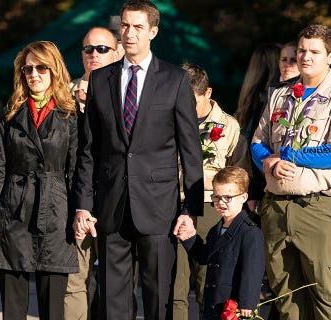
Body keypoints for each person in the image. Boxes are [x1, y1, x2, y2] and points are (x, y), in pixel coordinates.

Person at [72, 0, 204, 319]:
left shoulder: (174, 80)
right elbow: (89, 149)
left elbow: (190, 150)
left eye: (138, 27)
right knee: (113, 302)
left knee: (158, 298)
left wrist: (191, 210)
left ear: (153, 32)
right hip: (111, 207)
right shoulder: (101, 79)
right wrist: (83, 205)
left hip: (159, 208)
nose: (129, 34)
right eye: (125, 26)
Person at [251, 25, 331, 320]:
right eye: (301, 50)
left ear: (330, 57)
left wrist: (287, 155)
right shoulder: (280, 95)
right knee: (285, 295)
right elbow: (258, 142)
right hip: (276, 205)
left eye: (314, 52)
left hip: (319, 206)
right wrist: (269, 162)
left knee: (326, 294)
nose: (305, 57)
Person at [0, 41, 78, 320]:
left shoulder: (70, 115)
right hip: (13, 211)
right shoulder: (10, 113)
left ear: (54, 70)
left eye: (41, 67)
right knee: (12, 308)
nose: (34, 74)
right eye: (28, 68)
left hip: (56, 213)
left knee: (53, 309)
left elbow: (78, 170)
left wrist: (81, 212)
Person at [172, 63, 252, 320]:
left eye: (192, 102)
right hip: (173, 203)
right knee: (175, 284)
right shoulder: (167, 119)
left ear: (208, 93)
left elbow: (240, 175)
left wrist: (210, 181)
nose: (185, 108)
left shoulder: (229, 126)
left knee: (209, 282)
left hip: (211, 208)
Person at [66, 26, 120, 320]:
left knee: (117, 284)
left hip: (117, 199)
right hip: (74, 200)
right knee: (74, 281)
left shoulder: (130, 97)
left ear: (117, 52)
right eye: (88, 49)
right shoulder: (63, 96)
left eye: (102, 49)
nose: (94, 55)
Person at [176, 166, 264, 320]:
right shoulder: (215, 230)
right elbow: (205, 257)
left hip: (233, 307)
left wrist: (248, 304)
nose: (221, 202)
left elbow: (252, 270)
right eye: (216, 197)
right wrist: (188, 238)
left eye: (228, 197)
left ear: (243, 198)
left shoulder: (250, 232)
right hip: (213, 305)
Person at [233, 43, 282, 214]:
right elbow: (255, 142)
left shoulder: (247, 99)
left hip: (245, 176)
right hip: (261, 182)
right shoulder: (266, 100)